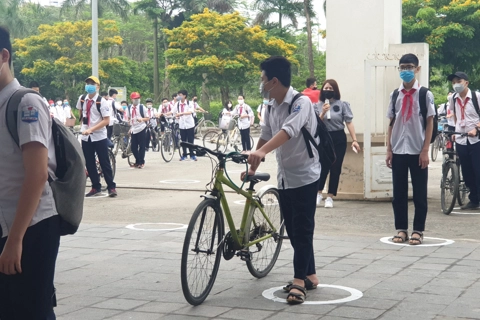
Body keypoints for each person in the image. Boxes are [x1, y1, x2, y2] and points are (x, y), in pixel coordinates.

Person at [246, 56, 320, 304]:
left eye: (262, 79)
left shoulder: (301, 103)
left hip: (306, 174)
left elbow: (289, 131)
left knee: (302, 227)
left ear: (274, 81)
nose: (261, 84)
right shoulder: (270, 105)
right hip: (285, 175)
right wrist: (254, 162)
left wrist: (263, 151)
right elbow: (267, 133)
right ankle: (311, 274)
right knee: (294, 225)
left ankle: (299, 282)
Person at [0, 25, 61, 319]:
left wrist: (14, 240)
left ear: (3, 56)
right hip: (5, 225)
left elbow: (36, 175)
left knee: (31, 310)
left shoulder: (26, 103)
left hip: (31, 228)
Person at [386, 53, 435, 245]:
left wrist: (425, 150)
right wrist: (389, 149)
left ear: (417, 68)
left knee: (419, 193)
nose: (406, 70)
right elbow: (391, 123)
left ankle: (418, 230)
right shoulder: (395, 94)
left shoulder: (424, 94)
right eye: (403, 67)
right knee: (398, 193)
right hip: (398, 149)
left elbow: (429, 122)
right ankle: (401, 229)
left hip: (417, 150)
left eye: (410, 67)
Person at [317, 79, 360, 208]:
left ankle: (330, 196)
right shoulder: (316, 105)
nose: (328, 91)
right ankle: (318, 193)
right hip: (324, 137)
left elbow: (349, 122)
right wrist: (323, 112)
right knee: (322, 165)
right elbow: (316, 123)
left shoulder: (342, 105)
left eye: (331, 89)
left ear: (335, 91)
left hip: (338, 137)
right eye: (326, 88)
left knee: (335, 167)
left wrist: (355, 140)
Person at [77, 75, 117, 197]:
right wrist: (82, 125)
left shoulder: (102, 101)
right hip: (86, 137)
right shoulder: (82, 99)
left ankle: (111, 186)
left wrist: (91, 129)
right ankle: (95, 186)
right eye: (88, 83)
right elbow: (80, 111)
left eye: (92, 84)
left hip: (99, 136)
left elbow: (106, 120)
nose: (89, 86)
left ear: (98, 87)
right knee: (89, 162)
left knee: (104, 162)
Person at [447, 71, 480, 210]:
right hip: (461, 139)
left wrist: (476, 129)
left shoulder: (476, 97)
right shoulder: (453, 98)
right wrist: (454, 130)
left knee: (477, 169)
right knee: (466, 171)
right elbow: (453, 115)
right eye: (454, 82)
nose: (456, 85)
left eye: (459, 81)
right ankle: (474, 200)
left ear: (466, 83)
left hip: (476, 139)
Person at [126, 92, 149, 168]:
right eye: (135, 99)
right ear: (131, 99)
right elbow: (128, 118)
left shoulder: (142, 107)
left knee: (142, 146)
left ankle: (141, 162)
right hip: (133, 128)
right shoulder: (129, 108)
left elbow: (147, 117)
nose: (136, 100)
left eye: (138, 98)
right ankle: (137, 160)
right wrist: (128, 122)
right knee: (133, 147)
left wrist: (141, 119)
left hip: (141, 127)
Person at [174, 89, 196, 161]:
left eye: (180, 95)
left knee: (190, 140)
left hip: (189, 125)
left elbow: (190, 112)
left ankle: (192, 155)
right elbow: (172, 111)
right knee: (183, 141)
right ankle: (184, 155)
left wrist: (181, 113)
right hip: (182, 125)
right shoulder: (177, 104)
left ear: (184, 96)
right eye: (178, 95)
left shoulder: (190, 103)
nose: (178, 96)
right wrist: (163, 114)